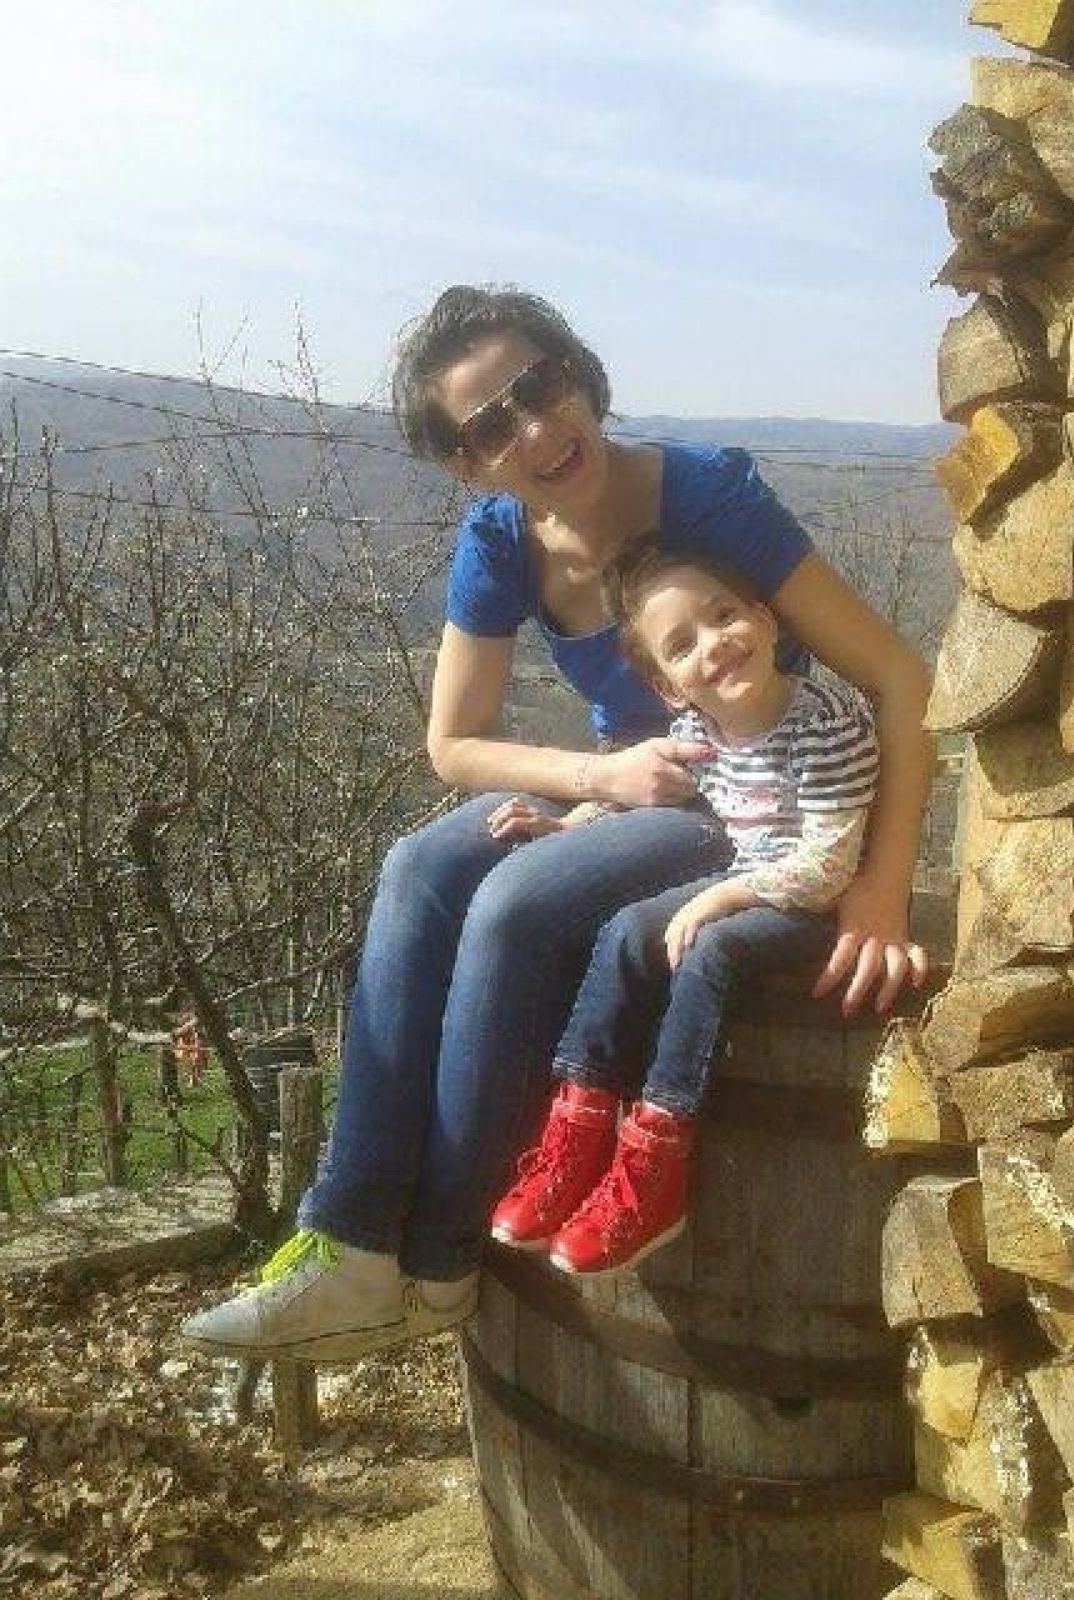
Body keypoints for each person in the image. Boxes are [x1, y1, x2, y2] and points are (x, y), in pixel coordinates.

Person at [181, 284, 934, 1363]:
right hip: (624, 780)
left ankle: (440, 1259)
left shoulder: (707, 496)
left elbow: (899, 676)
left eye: (539, 386)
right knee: (418, 867)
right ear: (468, 464)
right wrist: (598, 776)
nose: (534, 430)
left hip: (747, 792)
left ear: (577, 370)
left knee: (513, 903)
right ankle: (352, 1243)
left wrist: (880, 890)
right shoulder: (500, 540)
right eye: (491, 425)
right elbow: (453, 743)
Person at [489, 543, 879, 1275]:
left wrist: (719, 897)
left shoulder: (826, 723)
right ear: (669, 689)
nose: (714, 643)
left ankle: (657, 1159)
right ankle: (578, 1131)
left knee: (709, 949)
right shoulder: (701, 730)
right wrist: (565, 826)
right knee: (626, 931)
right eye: (682, 645)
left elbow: (827, 867)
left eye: (724, 615)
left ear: (765, 619)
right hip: (743, 880)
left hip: (809, 898)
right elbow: (642, 792)